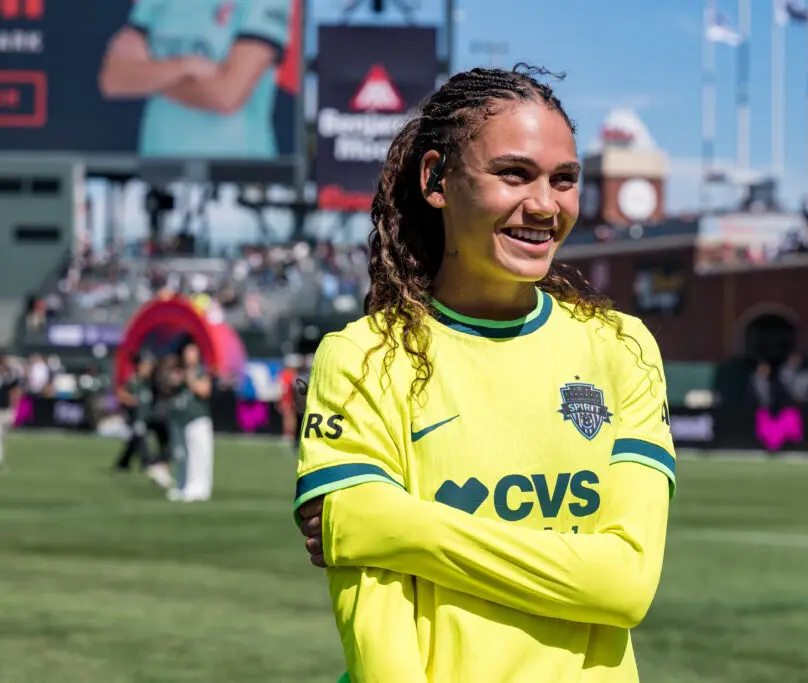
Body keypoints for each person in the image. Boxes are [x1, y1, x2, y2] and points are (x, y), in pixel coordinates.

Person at [293, 64, 675, 683]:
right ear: (436, 179)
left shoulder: (623, 349)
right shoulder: (365, 357)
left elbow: (625, 585)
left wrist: (386, 523)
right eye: (514, 174)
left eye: (564, 180)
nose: (545, 205)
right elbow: (379, 641)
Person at [97, 0, 294, 158]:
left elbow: (227, 95)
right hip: (157, 173)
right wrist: (186, 66)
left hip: (238, 179)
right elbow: (113, 80)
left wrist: (149, 76)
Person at [113, 354, 174, 488]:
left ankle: (125, 463)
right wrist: (131, 400)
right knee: (139, 436)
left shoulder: (152, 383)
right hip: (136, 418)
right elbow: (121, 394)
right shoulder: (133, 381)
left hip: (150, 417)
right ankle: (148, 464)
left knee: (164, 436)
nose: (147, 369)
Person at [167, 343, 214, 502]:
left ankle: (201, 488)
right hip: (183, 420)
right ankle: (185, 484)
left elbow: (205, 391)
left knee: (201, 455)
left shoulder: (201, 371)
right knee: (186, 455)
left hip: (199, 419)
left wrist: (191, 381)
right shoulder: (180, 371)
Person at [0, 352, 22, 470]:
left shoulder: (10, 375)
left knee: (3, 436)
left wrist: (14, 408)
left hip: (6, 408)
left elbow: (15, 391)